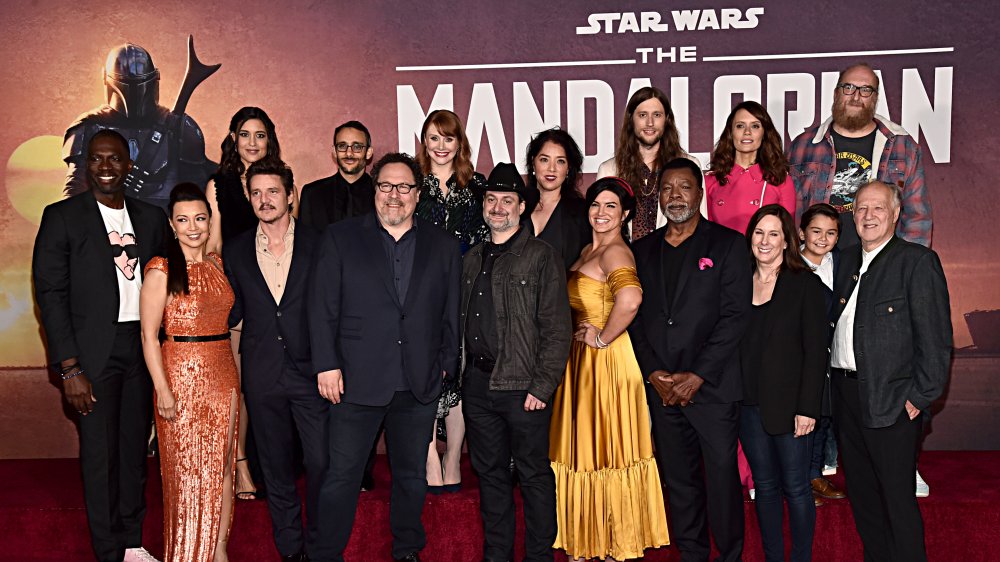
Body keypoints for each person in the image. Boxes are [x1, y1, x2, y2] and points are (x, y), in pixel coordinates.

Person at [309, 152, 461, 562]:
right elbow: (322, 307)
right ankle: (325, 554)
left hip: (417, 383)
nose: (394, 195)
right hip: (354, 382)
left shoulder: (443, 246)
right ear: (375, 191)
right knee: (340, 477)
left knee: (411, 476)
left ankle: (407, 550)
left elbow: (451, 312)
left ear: (418, 194)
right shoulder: (341, 238)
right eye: (386, 186)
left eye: (404, 187)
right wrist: (326, 363)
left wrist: (446, 364)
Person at [33, 129, 169, 562]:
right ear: (86, 164)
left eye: (114, 159)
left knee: (133, 452)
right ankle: (107, 549)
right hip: (91, 354)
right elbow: (50, 295)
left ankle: (131, 541)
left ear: (129, 165)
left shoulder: (150, 217)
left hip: (141, 349)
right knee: (100, 456)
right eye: (96, 159)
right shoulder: (62, 217)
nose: (105, 167)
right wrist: (69, 368)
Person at [628, 157, 752, 562]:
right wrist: (655, 374)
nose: (675, 195)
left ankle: (730, 553)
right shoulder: (640, 250)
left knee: (721, 480)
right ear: (658, 196)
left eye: (684, 187)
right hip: (663, 390)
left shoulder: (729, 245)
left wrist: (696, 375)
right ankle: (693, 554)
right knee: (679, 482)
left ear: (699, 193)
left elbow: (736, 317)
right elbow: (636, 321)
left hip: (712, 389)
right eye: (666, 188)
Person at [829, 180, 951, 562]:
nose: (868, 216)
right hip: (845, 398)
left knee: (897, 500)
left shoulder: (916, 261)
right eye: (861, 208)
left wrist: (919, 397)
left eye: (878, 208)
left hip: (893, 400)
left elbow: (936, 340)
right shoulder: (844, 260)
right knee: (863, 497)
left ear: (896, 214)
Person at [550, 177, 670, 561]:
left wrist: (602, 338)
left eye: (611, 207)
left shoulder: (616, 252)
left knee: (602, 452)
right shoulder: (590, 248)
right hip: (582, 364)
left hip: (607, 366)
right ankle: (588, 542)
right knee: (586, 450)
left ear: (627, 214)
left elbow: (631, 298)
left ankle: (607, 544)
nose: (600, 213)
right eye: (595, 205)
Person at [461, 163, 571, 562]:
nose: (497, 208)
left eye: (507, 200)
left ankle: (539, 557)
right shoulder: (471, 258)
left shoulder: (541, 257)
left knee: (534, 476)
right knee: (490, 478)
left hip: (524, 388)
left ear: (522, 207)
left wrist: (542, 387)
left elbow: (558, 329)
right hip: (477, 385)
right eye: (491, 200)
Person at [223, 161, 327, 562]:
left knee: (321, 461)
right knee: (276, 468)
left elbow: (336, 306)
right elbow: (231, 314)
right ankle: (291, 550)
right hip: (263, 373)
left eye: (272, 192)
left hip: (312, 372)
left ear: (290, 195)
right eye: (256, 193)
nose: (265, 200)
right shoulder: (235, 250)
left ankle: (319, 543)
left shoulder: (321, 242)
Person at [140, 183, 239, 562]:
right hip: (180, 378)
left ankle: (219, 551)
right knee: (186, 475)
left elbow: (215, 232)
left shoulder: (215, 262)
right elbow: (149, 337)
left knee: (224, 467)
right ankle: (186, 554)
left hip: (223, 373)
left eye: (200, 218)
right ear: (171, 223)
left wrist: (215, 193)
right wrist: (163, 390)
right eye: (183, 220)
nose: (193, 226)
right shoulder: (161, 269)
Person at [206, 106, 285, 501]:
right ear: (233, 139)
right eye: (244, 134)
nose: (252, 143)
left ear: (269, 139)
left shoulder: (282, 182)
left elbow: (292, 243)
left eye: (260, 134)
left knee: (265, 383)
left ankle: (270, 460)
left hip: (275, 297)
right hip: (236, 295)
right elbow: (213, 245)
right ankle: (239, 465)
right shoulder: (218, 184)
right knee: (237, 385)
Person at [739, 205, 827, 562]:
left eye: (774, 233)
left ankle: (801, 557)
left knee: (796, 487)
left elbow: (815, 352)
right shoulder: (737, 280)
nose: (765, 240)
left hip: (792, 409)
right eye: (759, 232)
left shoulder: (804, 283)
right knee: (766, 488)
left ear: (788, 240)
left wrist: (808, 408)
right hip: (747, 405)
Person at [414, 109, 487, 491]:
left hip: (466, 293)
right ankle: (428, 457)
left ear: (460, 142)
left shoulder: (476, 185)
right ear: (424, 142)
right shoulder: (410, 184)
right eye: (434, 138)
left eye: (449, 138)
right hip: (420, 296)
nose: (441, 146)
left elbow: (487, 240)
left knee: (458, 374)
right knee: (424, 376)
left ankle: (454, 458)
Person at [787, 62, 932, 249]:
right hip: (816, 264)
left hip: (878, 264)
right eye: (848, 88)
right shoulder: (803, 146)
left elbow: (917, 218)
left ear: (875, 98)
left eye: (865, 90)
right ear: (836, 93)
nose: (856, 97)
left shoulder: (903, 147)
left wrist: (908, 268)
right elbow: (787, 213)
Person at [62, 40, 218, 208]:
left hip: (165, 227)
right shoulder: (89, 126)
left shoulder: (179, 128)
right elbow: (75, 191)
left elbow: (197, 192)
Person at [596, 86, 704, 240]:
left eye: (657, 115)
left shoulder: (689, 165)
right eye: (642, 115)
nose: (650, 122)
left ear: (666, 120)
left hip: (675, 255)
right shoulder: (609, 170)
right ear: (631, 119)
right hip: (626, 259)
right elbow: (601, 229)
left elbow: (702, 222)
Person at [798, 203, 847, 506]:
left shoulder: (844, 264)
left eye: (831, 233)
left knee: (824, 417)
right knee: (802, 417)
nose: (822, 238)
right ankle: (798, 480)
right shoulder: (788, 264)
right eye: (816, 231)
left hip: (835, 352)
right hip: (800, 356)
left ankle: (815, 474)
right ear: (802, 232)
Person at [707, 101, 795, 234]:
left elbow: (787, 234)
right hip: (721, 254)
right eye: (740, 126)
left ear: (764, 133)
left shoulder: (780, 179)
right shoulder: (711, 180)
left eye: (755, 126)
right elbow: (705, 234)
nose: (747, 132)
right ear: (731, 132)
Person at [525, 128, 590, 270]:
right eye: (544, 160)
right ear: (533, 162)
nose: (552, 168)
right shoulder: (516, 206)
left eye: (560, 161)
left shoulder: (582, 213)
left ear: (568, 168)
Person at [299, 120, 375, 231]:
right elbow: (305, 244)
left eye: (357, 147)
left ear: (368, 152)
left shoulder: (381, 193)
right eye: (342, 146)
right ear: (334, 151)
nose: (349, 153)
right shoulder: (312, 194)